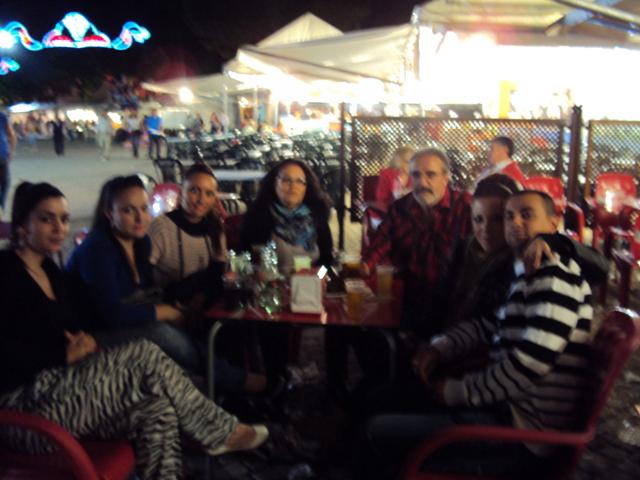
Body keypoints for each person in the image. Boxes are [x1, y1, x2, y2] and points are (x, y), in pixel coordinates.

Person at [0, 182, 268, 480]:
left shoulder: (50, 272)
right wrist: (61, 354)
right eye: (46, 219)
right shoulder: (7, 273)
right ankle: (218, 430)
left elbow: (72, 326)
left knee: (155, 409)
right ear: (22, 224)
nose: (58, 228)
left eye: (63, 219)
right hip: (23, 411)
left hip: (62, 391)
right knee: (146, 351)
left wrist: (80, 340)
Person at [362, 190, 594, 479]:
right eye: (508, 216)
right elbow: (489, 325)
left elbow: (530, 362)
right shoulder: (524, 272)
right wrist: (439, 347)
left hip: (520, 435)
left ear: (553, 222)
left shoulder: (554, 275)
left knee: (376, 430)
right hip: (501, 408)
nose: (514, 223)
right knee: (380, 398)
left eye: (526, 215)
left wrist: (458, 391)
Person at [148, 163, 267, 394]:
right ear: (182, 191)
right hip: (170, 304)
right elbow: (146, 278)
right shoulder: (162, 227)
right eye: (194, 190)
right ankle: (238, 385)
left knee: (239, 322)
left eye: (209, 193)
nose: (201, 199)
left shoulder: (214, 227)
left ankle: (238, 388)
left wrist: (201, 298)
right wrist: (180, 304)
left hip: (203, 299)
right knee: (218, 333)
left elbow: (217, 271)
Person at [240, 159, 333, 383]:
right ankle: (276, 379)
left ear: (307, 187)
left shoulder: (317, 217)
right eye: (286, 180)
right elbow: (244, 257)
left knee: (340, 321)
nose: (293, 186)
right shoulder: (258, 216)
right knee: (271, 323)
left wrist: (319, 276)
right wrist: (257, 272)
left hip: (309, 289)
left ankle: (334, 383)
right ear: (274, 183)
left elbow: (327, 261)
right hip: (271, 290)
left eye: (300, 181)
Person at [362, 148, 471, 337]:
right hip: (409, 301)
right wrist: (363, 266)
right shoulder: (400, 209)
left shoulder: (465, 208)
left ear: (445, 177)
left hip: (453, 304)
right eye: (416, 175)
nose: (422, 182)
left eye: (430, 175)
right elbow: (380, 244)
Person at [0, 108, 17, 215]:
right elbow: (11, 134)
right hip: (2, 155)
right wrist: (12, 151)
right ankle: (1, 206)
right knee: (5, 183)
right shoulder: (2, 116)